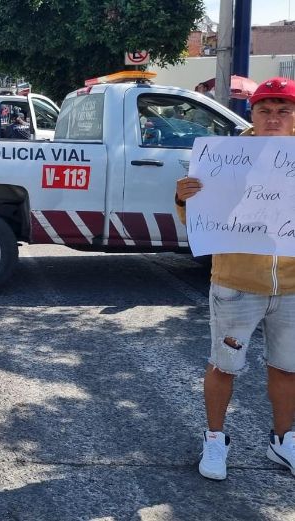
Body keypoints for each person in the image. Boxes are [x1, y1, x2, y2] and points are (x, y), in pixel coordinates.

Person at [176, 77, 295, 481]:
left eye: (284, 110)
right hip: (236, 282)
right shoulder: (225, 156)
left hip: (293, 286)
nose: (274, 118)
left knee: (287, 368)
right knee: (224, 366)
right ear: (252, 113)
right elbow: (196, 219)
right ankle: (215, 439)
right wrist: (183, 198)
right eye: (265, 110)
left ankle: (283, 441)